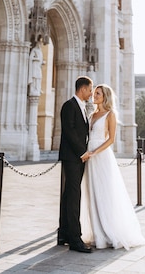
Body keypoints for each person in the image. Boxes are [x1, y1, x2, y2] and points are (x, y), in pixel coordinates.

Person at [80, 84, 145, 250]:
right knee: (92, 192)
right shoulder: (92, 114)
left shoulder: (110, 114)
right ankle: (98, 233)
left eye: (98, 94)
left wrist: (94, 152)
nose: (94, 96)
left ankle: (110, 232)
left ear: (105, 96)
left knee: (105, 192)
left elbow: (110, 140)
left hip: (101, 156)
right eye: (94, 93)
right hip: (90, 155)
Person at [58, 75, 93, 253]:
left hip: (77, 158)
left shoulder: (82, 108)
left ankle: (63, 233)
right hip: (73, 157)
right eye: (90, 89)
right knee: (74, 196)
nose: (92, 92)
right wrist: (82, 152)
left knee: (68, 195)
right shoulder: (69, 106)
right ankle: (75, 239)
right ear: (82, 89)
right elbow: (70, 132)